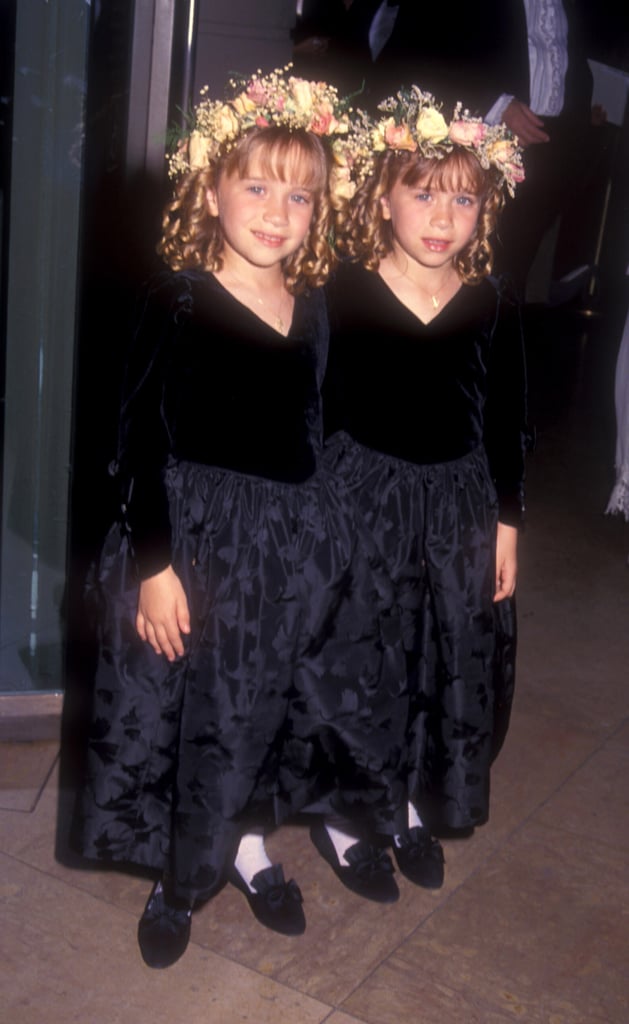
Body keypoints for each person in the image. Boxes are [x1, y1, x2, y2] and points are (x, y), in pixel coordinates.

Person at [72, 67, 408, 970]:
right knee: (191, 712)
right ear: (210, 187)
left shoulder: (312, 308)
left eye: (298, 195)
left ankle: (250, 847)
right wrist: (153, 564)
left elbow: (314, 429)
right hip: (196, 542)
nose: (275, 211)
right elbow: (133, 441)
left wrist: (334, 543)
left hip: (289, 547)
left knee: (266, 708)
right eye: (255, 186)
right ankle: (180, 876)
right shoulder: (172, 298)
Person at [323, 87, 529, 880]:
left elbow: (509, 420)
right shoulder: (339, 291)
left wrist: (507, 522)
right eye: (422, 195)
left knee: (431, 657)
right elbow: (311, 410)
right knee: (360, 655)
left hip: (456, 508)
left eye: (463, 201)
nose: (442, 220)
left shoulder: (491, 302)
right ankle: (347, 814)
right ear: (381, 198)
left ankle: (405, 799)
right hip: (361, 503)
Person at [370, 0, 595, 294]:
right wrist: (496, 105)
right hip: (476, 152)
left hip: (553, 158)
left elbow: (567, 57)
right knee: (470, 279)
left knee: (519, 288)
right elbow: (415, 51)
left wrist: (578, 116)